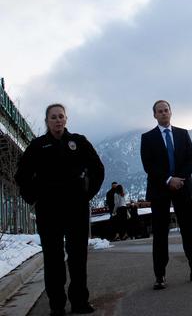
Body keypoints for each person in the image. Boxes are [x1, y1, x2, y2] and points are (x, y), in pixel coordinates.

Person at [14, 104, 104, 315]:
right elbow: (22, 176)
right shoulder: (38, 145)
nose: (57, 120)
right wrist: (34, 198)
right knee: (53, 259)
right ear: (47, 121)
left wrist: (86, 195)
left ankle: (80, 301)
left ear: (66, 119)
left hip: (76, 209)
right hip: (48, 211)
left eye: (61, 116)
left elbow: (98, 169)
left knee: (78, 258)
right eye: (53, 117)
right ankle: (57, 305)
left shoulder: (79, 142)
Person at [140, 100, 192, 290]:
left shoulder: (182, 134)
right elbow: (149, 166)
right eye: (159, 111)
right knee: (160, 234)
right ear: (154, 115)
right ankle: (160, 276)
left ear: (171, 112)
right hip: (159, 190)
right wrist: (168, 180)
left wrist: (179, 178)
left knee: (188, 231)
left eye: (166, 110)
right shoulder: (147, 138)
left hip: (182, 187)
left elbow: (191, 159)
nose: (163, 113)